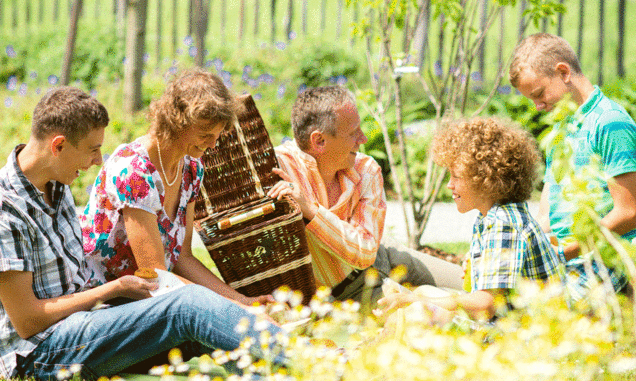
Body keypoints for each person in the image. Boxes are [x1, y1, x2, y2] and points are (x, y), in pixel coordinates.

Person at [0, 86, 283, 381]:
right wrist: (114, 289)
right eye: (93, 149)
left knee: (209, 325)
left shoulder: (55, 183)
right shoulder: (1, 210)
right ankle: (308, 359)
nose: (98, 160)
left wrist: (240, 305)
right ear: (58, 146)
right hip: (40, 352)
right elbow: (27, 321)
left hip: (86, 323)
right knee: (188, 305)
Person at [80, 69, 272, 306]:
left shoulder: (191, 168)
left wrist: (244, 301)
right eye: (205, 134)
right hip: (102, 302)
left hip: (152, 297)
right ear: (177, 121)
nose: (213, 144)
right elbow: (155, 274)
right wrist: (233, 308)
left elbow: (183, 257)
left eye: (217, 135)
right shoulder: (134, 170)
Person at [268, 85, 463, 306]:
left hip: (380, 253)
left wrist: (312, 211)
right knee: (436, 308)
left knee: (469, 283)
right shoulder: (278, 168)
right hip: (349, 291)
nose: (363, 139)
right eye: (353, 133)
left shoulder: (365, 169)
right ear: (319, 141)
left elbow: (366, 253)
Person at [376, 117, 565, 324]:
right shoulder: (495, 216)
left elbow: (485, 305)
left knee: (419, 311)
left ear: (486, 179)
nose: (449, 185)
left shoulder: (504, 223)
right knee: (425, 293)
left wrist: (414, 299)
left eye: (456, 176)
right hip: (515, 324)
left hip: (525, 334)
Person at [510, 33, 636, 299]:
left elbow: (629, 212)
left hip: (604, 259)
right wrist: (517, 250)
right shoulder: (562, 128)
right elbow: (547, 217)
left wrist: (563, 253)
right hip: (569, 260)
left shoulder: (610, 122)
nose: (537, 105)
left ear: (564, 72)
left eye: (539, 94)